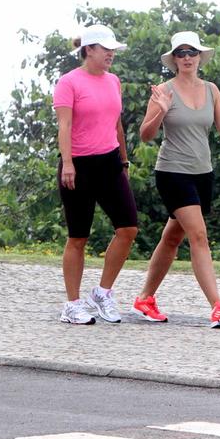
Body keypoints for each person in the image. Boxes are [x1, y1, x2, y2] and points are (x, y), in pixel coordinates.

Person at [134, 31, 220, 328]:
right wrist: (160, 111)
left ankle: (145, 298)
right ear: (174, 59)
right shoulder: (164, 91)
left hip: (202, 174)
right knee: (198, 236)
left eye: (192, 52)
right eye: (181, 53)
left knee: (173, 237)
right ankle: (217, 306)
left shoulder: (212, 90)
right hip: (172, 172)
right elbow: (146, 136)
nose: (187, 57)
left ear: (200, 57)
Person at [53, 24, 138, 325]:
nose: (111, 54)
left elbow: (117, 125)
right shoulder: (69, 82)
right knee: (78, 237)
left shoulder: (114, 81)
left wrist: (124, 163)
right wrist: (68, 164)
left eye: (113, 49)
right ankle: (72, 304)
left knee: (128, 229)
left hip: (110, 163)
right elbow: (64, 126)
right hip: (78, 166)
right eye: (106, 49)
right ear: (89, 49)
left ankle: (102, 293)